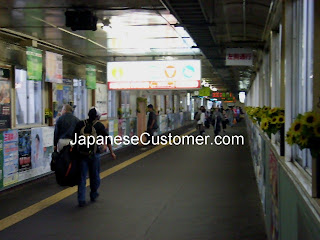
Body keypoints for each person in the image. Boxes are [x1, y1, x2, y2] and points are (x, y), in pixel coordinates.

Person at [73, 107, 116, 207]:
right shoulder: (99, 125)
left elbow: (74, 138)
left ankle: (81, 199)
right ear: (97, 117)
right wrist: (111, 152)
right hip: (94, 154)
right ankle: (93, 194)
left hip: (82, 155)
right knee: (95, 175)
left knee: (82, 177)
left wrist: (75, 151)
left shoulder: (80, 124)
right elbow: (107, 139)